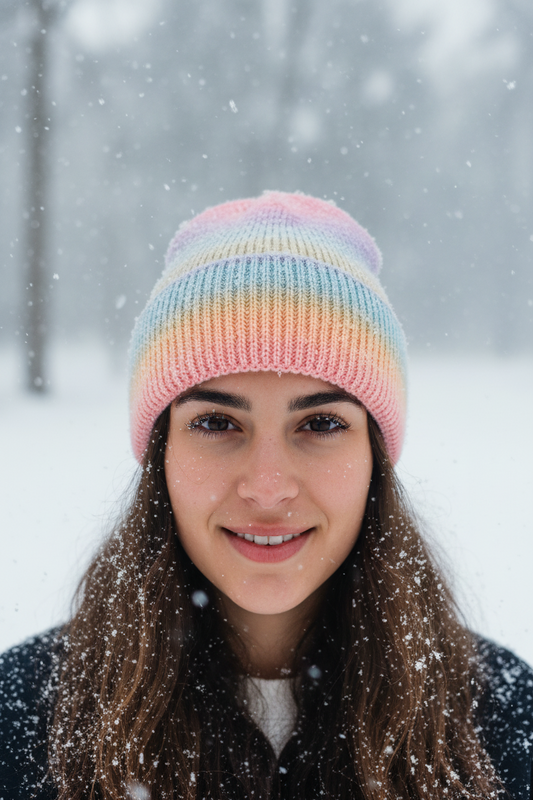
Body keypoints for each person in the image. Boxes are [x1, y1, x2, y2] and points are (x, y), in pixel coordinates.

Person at [0, 191, 532, 800]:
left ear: (375, 460)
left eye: (322, 424)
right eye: (218, 423)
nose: (267, 487)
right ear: (161, 455)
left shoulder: (497, 723)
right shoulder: (26, 722)